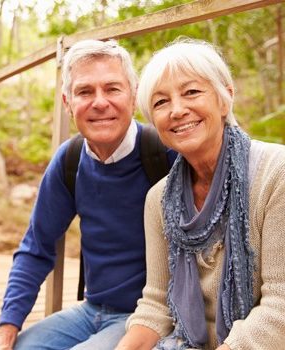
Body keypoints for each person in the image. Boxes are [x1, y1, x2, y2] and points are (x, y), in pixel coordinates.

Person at [0, 39, 176, 350]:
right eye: (85, 91)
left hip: (149, 317)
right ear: (67, 101)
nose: (100, 102)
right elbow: (36, 248)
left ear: (133, 94)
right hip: (91, 310)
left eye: (112, 89)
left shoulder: (164, 152)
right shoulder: (69, 160)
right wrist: (5, 332)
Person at [116, 38, 285, 350]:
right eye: (160, 102)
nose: (177, 110)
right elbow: (157, 304)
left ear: (225, 98)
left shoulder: (277, 172)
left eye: (191, 92)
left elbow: (281, 306)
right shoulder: (159, 199)